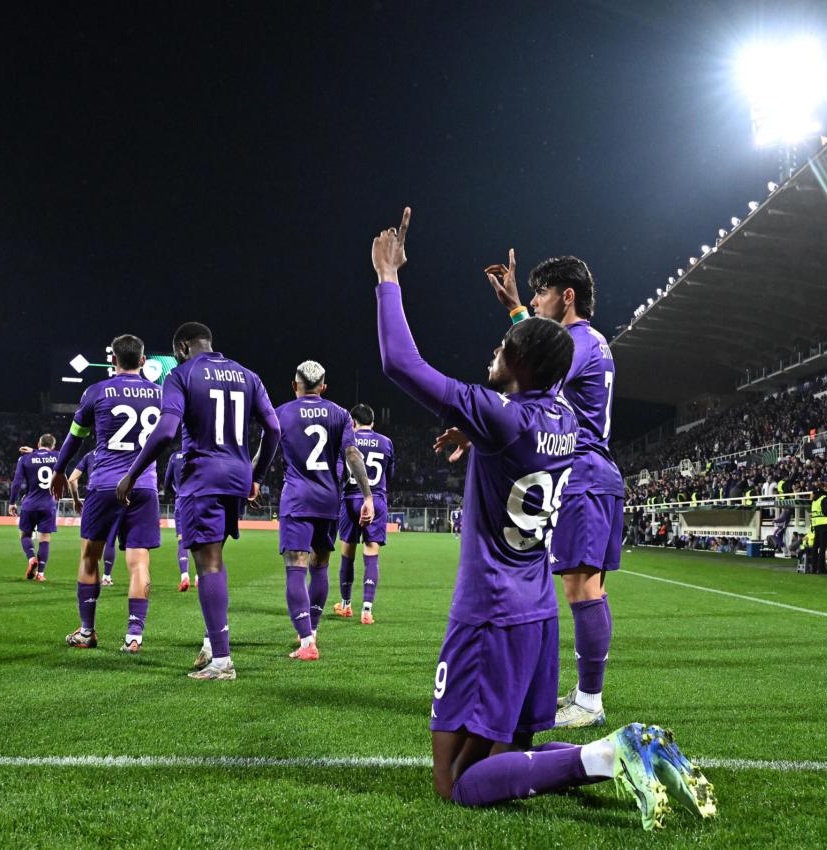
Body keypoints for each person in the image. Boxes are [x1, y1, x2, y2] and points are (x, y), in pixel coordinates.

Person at [372, 208, 714, 827]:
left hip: (488, 615)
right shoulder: (560, 419)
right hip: (535, 616)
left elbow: (401, 364)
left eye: (503, 348)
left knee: (456, 784)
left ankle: (606, 754)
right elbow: (539, 372)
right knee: (513, 754)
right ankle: (612, 752)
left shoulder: (502, 415)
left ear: (520, 366)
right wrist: (481, 425)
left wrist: (388, 278)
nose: (494, 352)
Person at [478, 248, 623, 729]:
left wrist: (478, 420)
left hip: (581, 475)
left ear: (567, 296)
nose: (536, 302)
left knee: (582, 589)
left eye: (542, 293)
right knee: (588, 589)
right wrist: (516, 308)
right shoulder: (590, 340)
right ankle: (586, 694)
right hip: (591, 475)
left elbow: (533, 372)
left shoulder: (578, 339)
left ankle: (590, 701)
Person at [117, 322, 281, 680]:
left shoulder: (181, 374)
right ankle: (211, 640)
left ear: (181, 346)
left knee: (208, 564)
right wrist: (257, 476)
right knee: (215, 560)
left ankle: (222, 660)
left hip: (203, 475)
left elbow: (165, 430)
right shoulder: (247, 374)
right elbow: (274, 429)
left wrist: (133, 472)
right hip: (237, 477)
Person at [51, 334, 162, 654]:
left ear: (113, 360)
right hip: (143, 486)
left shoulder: (96, 392)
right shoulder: (159, 394)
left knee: (89, 557)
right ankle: (134, 636)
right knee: (139, 563)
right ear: (142, 361)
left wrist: (59, 470)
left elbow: (74, 439)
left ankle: (87, 631)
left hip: (104, 486)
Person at [275, 361, 374, 661]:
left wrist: (252, 478)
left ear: (295, 386)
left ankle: (306, 641)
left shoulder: (283, 412)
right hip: (328, 500)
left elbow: (267, 450)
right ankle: (312, 630)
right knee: (320, 566)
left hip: (296, 498)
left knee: (295, 565)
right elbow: (352, 454)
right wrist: (367, 495)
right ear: (323, 387)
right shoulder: (341, 414)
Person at [335, 403, 393, 625]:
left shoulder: (347, 441)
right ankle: (367, 610)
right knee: (371, 554)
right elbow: (391, 472)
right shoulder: (386, 442)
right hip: (376, 499)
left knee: (347, 553)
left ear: (352, 422)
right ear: (373, 422)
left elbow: (340, 473)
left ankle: (346, 604)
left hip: (350, 499)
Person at [8, 433, 59, 582]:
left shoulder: (24, 459)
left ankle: (31, 558)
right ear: (53, 446)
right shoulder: (58, 456)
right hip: (49, 505)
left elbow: (16, 482)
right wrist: (37, 453)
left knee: (25, 535)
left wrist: (12, 502)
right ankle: (41, 574)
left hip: (30, 504)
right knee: (44, 539)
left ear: (38, 443)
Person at [67, 451, 119, 586]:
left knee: (89, 540)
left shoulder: (89, 455)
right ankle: (107, 576)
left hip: (96, 497)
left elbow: (72, 479)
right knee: (110, 539)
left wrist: (76, 500)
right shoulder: (123, 452)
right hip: (118, 496)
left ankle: (88, 579)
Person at [163, 448, 194, 591]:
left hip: (181, 501)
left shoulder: (174, 456)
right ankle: (200, 577)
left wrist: (177, 494)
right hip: (200, 500)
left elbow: (167, 483)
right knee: (201, 539)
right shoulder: (201, 451)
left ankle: (184, 576)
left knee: (182, 539)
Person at [809, 480, 827, 574]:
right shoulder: (824, 498)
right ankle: (821, 569)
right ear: (824, 488)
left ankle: (814, 568)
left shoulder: (814, 500)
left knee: (815, 547)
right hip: (824, 525)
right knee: (822, 548)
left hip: (816, 525)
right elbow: (826, 511)